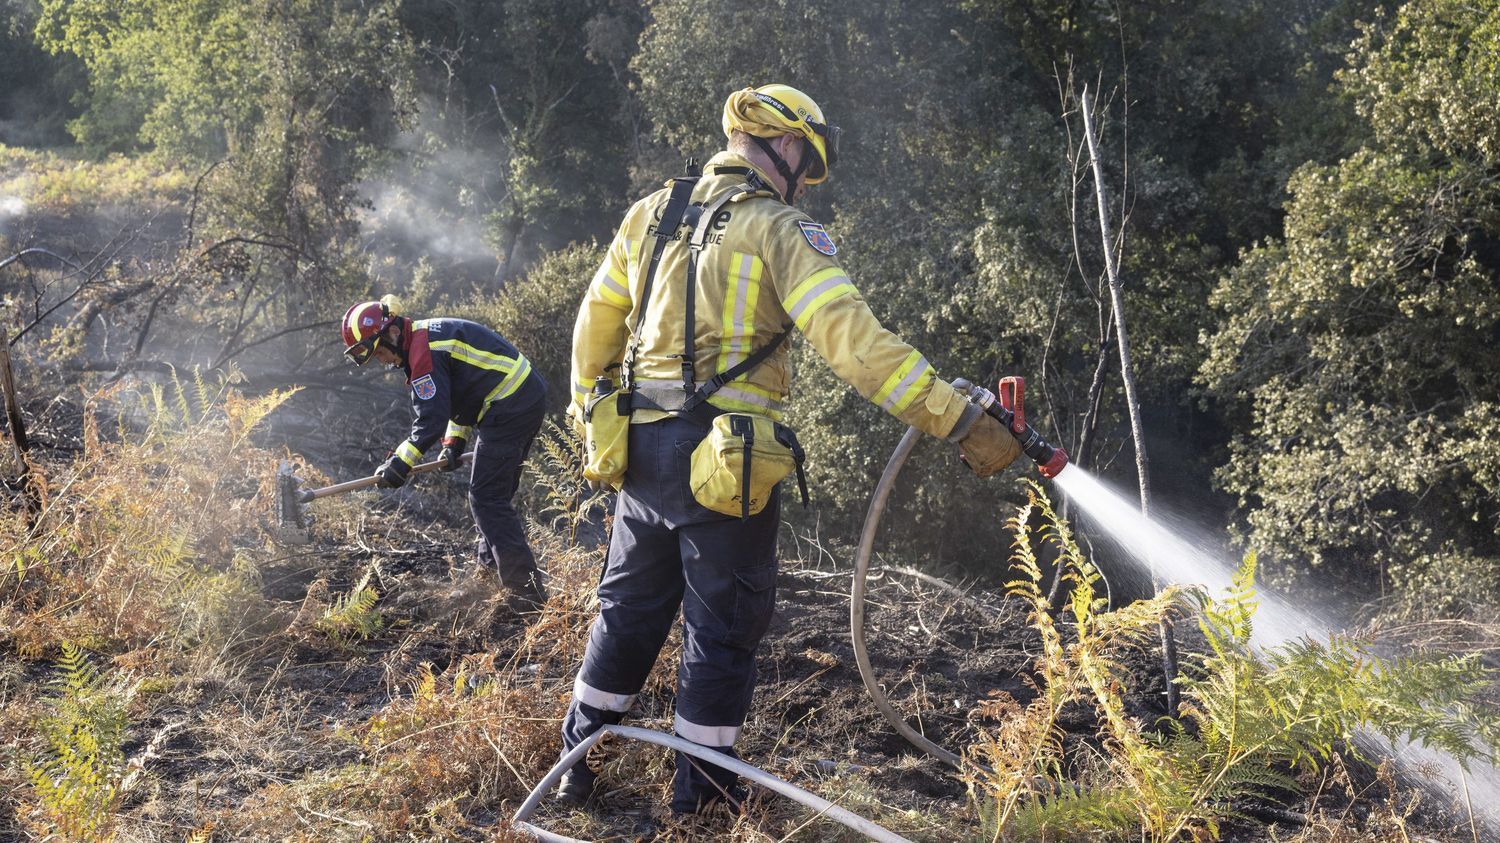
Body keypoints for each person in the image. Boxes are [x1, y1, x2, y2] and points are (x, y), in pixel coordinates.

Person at [558, 84, 1022, 814]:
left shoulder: (651, 214)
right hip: (726, 468)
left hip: (640, 457)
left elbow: (595, 326)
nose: (804, 180)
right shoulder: (779, 230)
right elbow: (860, 349)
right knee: (722, 631)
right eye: (805, 164)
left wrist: (592, 411)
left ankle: (573, 769)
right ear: (788, 143)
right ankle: (702, 803)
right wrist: (958, 419)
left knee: (626, 612)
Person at [340, 297, 549, 610]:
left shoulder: (423, 353)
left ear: (393, 334)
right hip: (520, 396)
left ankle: (526, 597)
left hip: (510, 405)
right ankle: (489, 578)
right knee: (492, 496)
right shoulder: (424, 339)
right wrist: (455, 441)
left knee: (487, 499)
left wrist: (399, 463)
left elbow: (431, 421)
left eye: (380, 352)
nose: (382, 361)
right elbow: (461, 395)